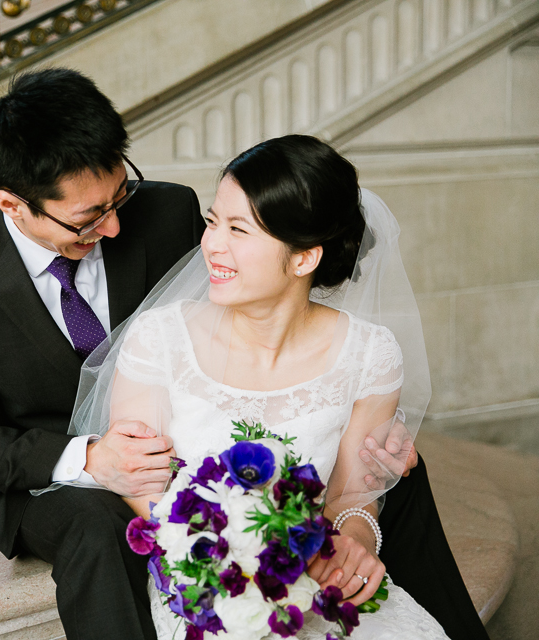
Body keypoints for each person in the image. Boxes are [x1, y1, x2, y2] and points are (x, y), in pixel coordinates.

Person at [0, 68, 486, 640]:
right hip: (60, 472)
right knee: (96, 524)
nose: (114, 227)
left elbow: (245, 303)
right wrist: (91, 458)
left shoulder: (164, 212)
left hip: (191, 440)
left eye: (120, 195)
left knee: (392, 463)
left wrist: (361, 491)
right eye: (89, 217)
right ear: (13, 204)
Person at [66, 135, 475, 638]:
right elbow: (142, 482)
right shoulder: (161, 338)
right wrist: (227, 560)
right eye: (213, 221)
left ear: (303, 259)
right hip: (203, 585)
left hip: (314, 582)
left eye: (239, 229)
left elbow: (351, 495)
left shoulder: (371, 353)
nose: (211, 244)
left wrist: (353, 544)